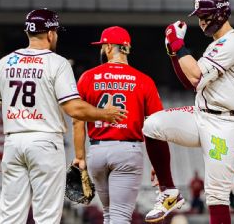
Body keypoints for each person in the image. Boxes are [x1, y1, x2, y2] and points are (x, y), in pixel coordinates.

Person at [0, 9, 126, 224]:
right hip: (45, 143)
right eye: (56, 32)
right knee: (47, 217)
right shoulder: (57, 63)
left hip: (13, 143)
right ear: (50, 34)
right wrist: (105, 113)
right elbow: (74, 109)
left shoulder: (5, 63)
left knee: (10, 216)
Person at [142, 0, 234, 223]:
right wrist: (174, 53)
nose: (201, 21)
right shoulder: (217, 44)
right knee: (151, 125)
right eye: (200, 17)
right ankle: (169, 192)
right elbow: (188, 81)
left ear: (221, 13)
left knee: (216, 194)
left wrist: (176, 44)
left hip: (226, 124)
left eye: (205, 15)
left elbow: (194, 76)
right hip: (201, 114)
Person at [72, 26, 184, 224]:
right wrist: (158, 163)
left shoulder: (87, 77)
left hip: (97, 151)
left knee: (109, 216)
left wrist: (79, 156)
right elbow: (157, 126)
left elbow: (77, 120)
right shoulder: (143, 80)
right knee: (120, 217)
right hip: (127, 151)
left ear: (108, 48)